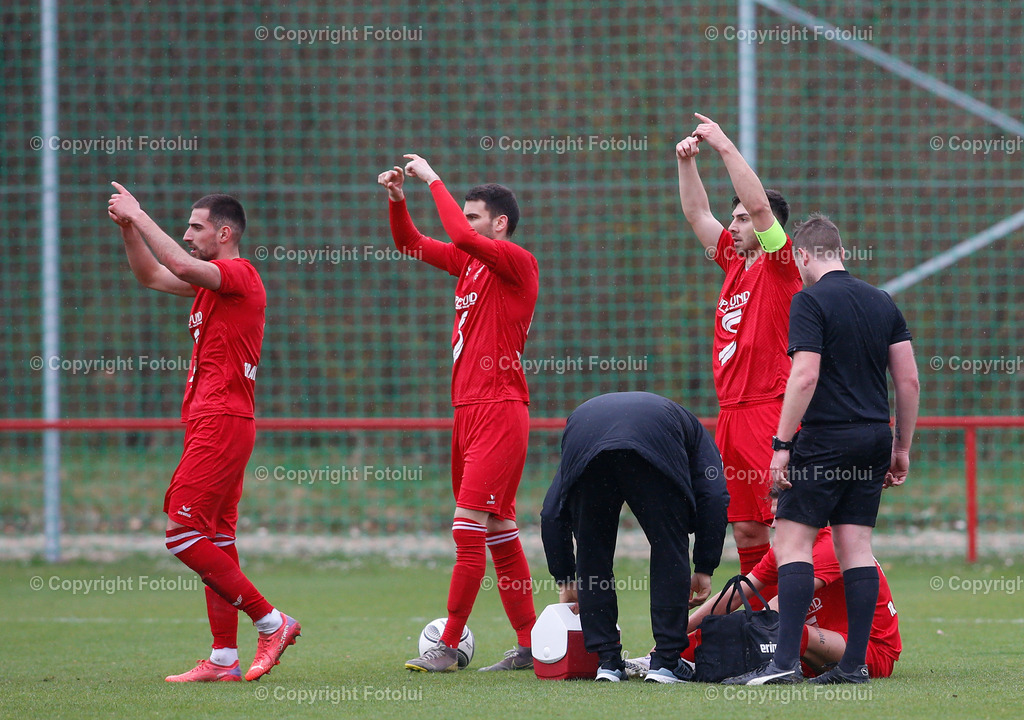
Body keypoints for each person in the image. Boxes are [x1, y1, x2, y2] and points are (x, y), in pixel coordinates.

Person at [108, 183, 300, 682]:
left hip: (222, 420)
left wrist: (140, 213)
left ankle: (272, 621)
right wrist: (130, 229)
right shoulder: (213, 284)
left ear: (225, 232)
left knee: (181, 533)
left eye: (196, 227)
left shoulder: (236, 274)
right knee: (214, 537)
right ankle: (222, 659)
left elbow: (183, 265)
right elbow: (151, 273)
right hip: (211, 420)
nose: (188, 235)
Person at [724, 213, 919, 685]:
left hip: (825, 438)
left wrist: (782, 444)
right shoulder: (882, 302)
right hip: (874, 435)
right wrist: (901, 446)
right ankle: (852, 667)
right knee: (856, 547)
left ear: (804, 256)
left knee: (793, 542)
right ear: (843, 253)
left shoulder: (807, 301)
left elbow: (805, 375)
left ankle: (783, 663)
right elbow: (909, 380)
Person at [378, 155, 539, 673]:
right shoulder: (470, 265)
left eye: (474, 216)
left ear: (500, 225)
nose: (465, 224)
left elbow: (458, 236)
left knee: (467, 528)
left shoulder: (516, 261)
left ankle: (447, 644)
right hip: (467, 413)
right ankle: (531, 643)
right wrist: (399, 200)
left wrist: (433, 180)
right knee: (498, 531)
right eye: (464, 214)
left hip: (499, 410)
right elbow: (411, 243)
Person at [676, 113, 802, 581]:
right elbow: (696, 214)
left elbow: (764, 212)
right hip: (730, 413)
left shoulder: (778, 263)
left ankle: (807, 621)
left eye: (742, 218)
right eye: (733, 218)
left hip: (769, 409)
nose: (734, 225)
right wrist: (687, 163)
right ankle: (759, 621)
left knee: (792, 524)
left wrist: (724, 147)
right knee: (747, 529)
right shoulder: (734, 262)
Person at [540, 392, 729, 683]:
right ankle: (666, 662)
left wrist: (565, 578)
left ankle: (607, 662)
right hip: (652, 442)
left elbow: (551, 512)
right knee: (669, 543)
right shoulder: (695, 430)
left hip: (586, 434)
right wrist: (704, 566)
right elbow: (714, 496)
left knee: (592, 550)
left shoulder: (581, 424)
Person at [627, 520, 901, 680]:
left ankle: (701, 664)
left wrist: (734, 635)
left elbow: (781, 612)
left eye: (780, 504)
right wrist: (675, 636)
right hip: (819, 645)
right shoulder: (785, 548)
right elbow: (736, 595)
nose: (771, 514)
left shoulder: (829, 546)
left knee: (783, 632)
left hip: (871, 651)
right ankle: (660, 660)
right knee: (762, 618)